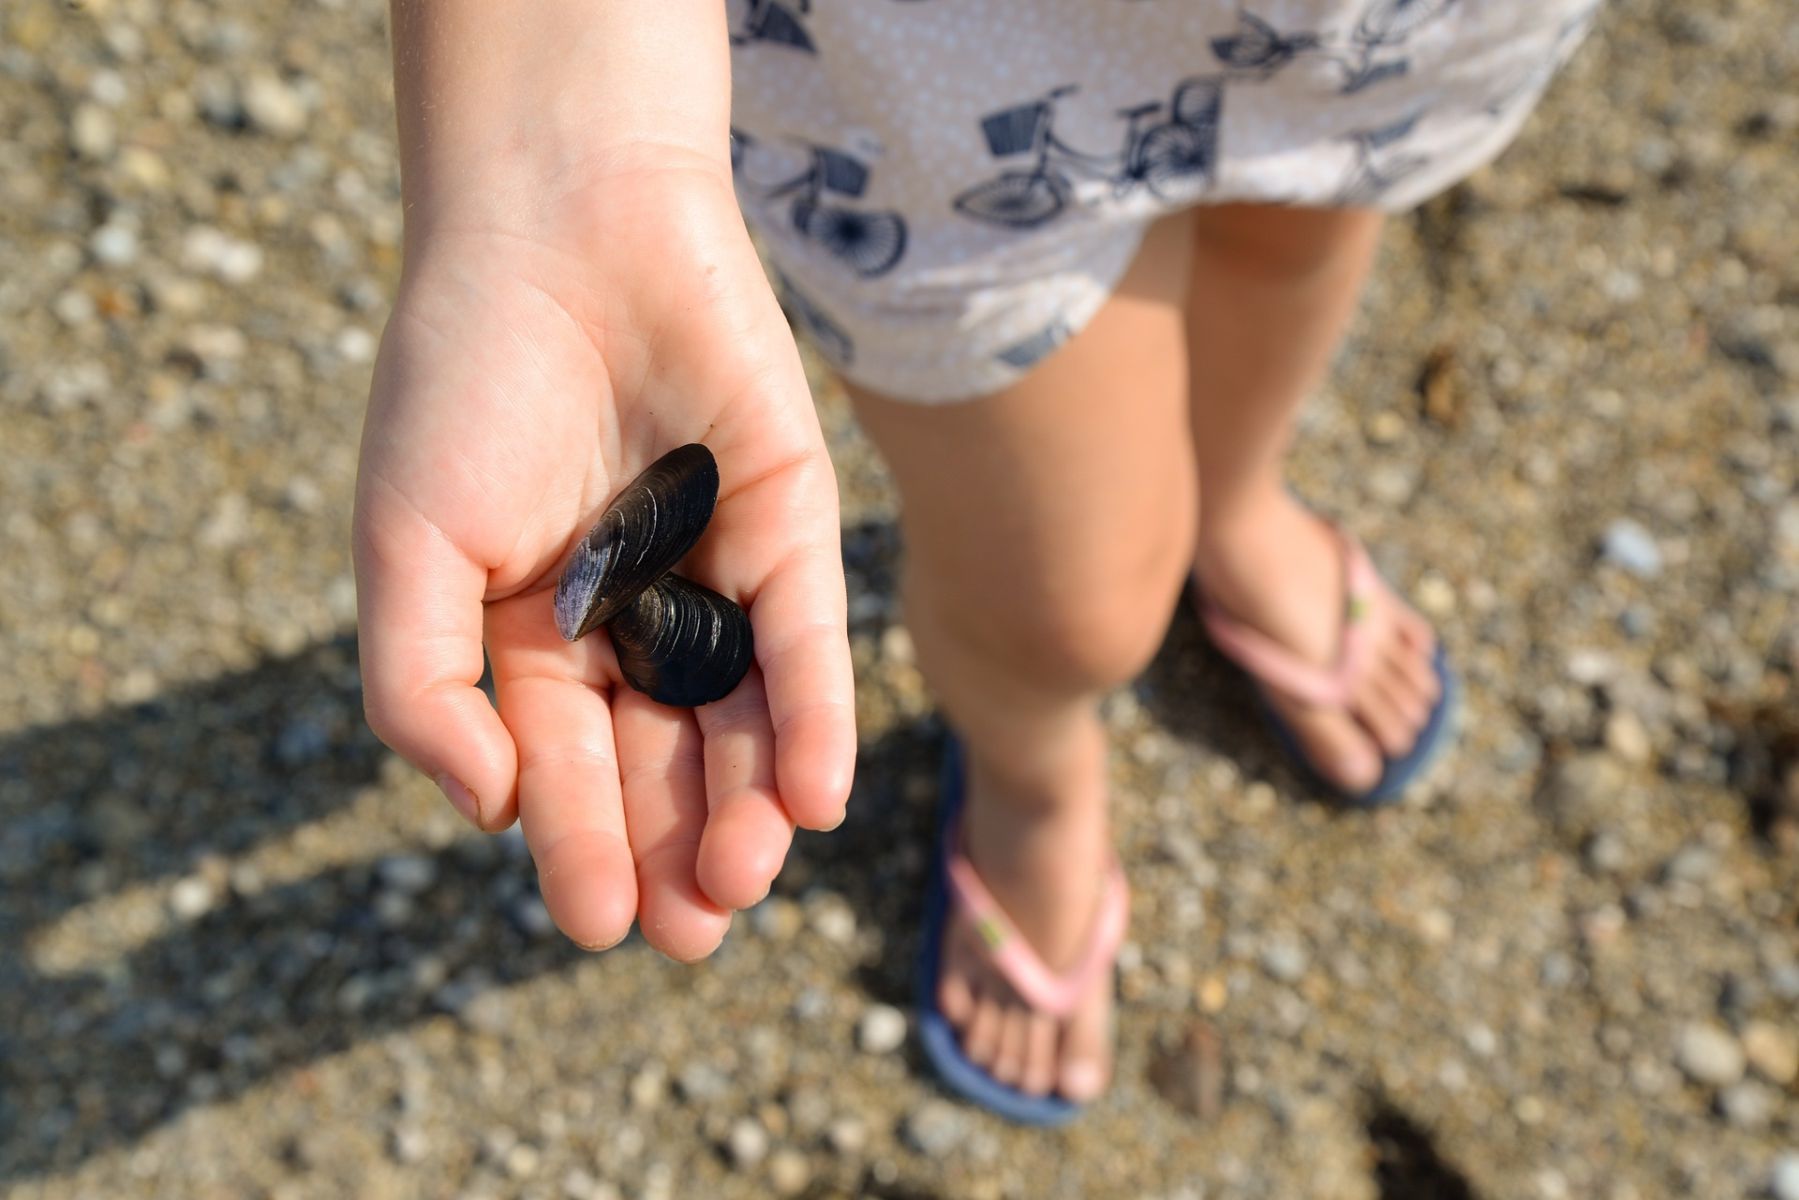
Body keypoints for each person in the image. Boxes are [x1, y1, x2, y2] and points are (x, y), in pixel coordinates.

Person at [353, 0, 1596, 1123]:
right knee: (1067, 603)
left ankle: (1232, 498)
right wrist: (549, 166)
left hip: (1372, 29)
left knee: (1298, 226)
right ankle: (1035, 765)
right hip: (946, 88)